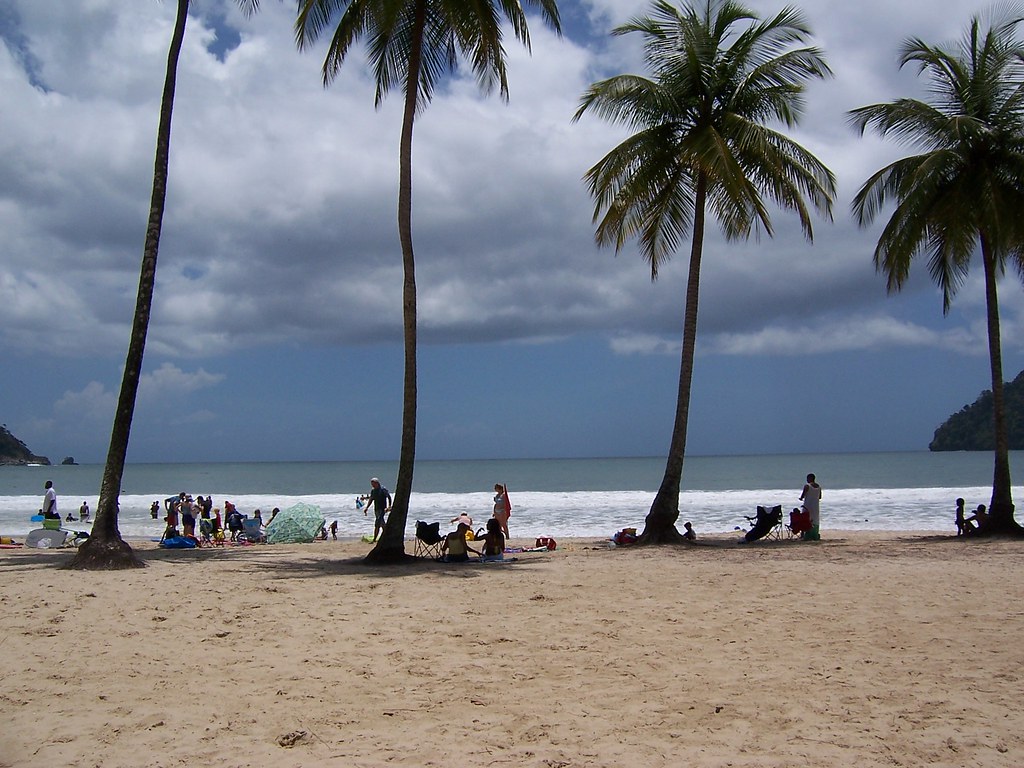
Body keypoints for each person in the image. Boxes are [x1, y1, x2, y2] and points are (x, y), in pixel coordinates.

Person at [367, 478, 392, 542]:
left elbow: (389, 497)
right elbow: (371, 499)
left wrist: (389, 506)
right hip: (376, 509)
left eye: (373, 484)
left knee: (378, 523)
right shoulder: (373, 490)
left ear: (377, 483)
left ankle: (375, 539)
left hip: (382, 509)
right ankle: (387, 537)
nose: (372, 486)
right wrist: (367, 507)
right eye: (372, 484)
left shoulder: (383, 489)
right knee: (382, 523)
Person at [800, 473, 822, 541]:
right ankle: (814, 534)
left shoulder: (807, 486)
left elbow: (802, 496)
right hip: (815, 506)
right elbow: (820, 497)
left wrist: (801, 498)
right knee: (815, 520)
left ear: (809, 478)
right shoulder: (819, 487)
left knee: (805, 519)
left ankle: (804, 535)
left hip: (807, 505)